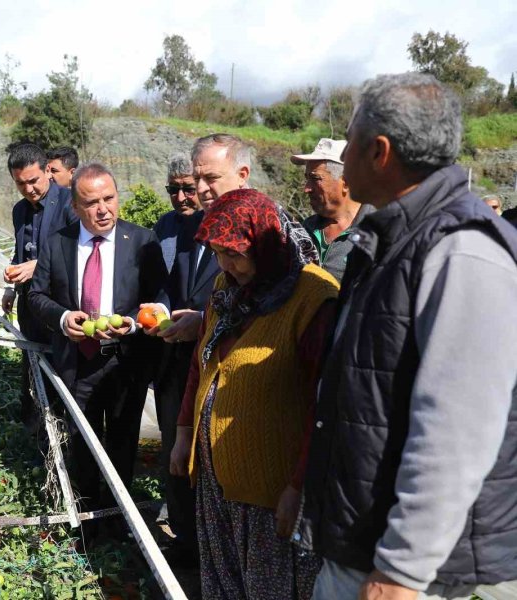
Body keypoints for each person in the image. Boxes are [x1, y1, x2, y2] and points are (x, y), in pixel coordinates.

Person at [297, 73, 517, 600]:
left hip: (428, 576)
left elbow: (458, 430)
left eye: (348, 140)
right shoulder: (392, 241)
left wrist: (402, 570)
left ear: (379, 151)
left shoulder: (461, 249)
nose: (341, 156)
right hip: (364, 549)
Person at [169, 188, 338, 599]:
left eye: (236, 253)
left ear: (265, 242)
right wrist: (183, 433)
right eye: (218, 253)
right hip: (218, 485)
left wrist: (299, 486)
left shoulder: (315, 297)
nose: (227, 265)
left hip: (270, 493)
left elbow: (328, 403)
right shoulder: (227, 290)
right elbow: (201, 363)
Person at [28, 162, 169, 521]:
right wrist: (63, 318)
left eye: (109, 198)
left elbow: (160, 297)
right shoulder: (57, 243)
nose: (103, 209)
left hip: (124, 362)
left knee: (123, 442)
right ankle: (87, 518)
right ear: (75, 207)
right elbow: (37, 296)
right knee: (81, 442)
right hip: (78, 362)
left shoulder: (142, 240)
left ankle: (119, 517)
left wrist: (135, 324)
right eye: (91, 203)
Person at [150, 153, 220, 565]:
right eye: (173, 189)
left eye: (187, 188)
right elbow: (161, 285)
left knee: (208, 451)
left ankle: (210, 540)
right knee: (173, 449)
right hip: (174, 359)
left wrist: (203, 320)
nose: (180, 196)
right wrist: (159, 311)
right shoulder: (166, 228)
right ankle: (184, 538)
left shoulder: (225, 227)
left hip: (214, 358)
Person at [3, 143, 76, 425]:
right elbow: (20, 249)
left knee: (59, 371)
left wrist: (38, 267)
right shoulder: (20, 210)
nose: (29, 189)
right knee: (32, 364)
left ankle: (62, 429)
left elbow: (79, 252)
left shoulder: (70, 203)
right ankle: (35, 429)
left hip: (59, 306)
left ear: (47, 170)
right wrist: (11, 285)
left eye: (33, 181)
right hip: (29, 304)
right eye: (21, 184)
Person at [291, 138, 375, 282]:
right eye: (307, 178)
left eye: (316, 178)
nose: (307, 188)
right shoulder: (304, 230)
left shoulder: (376, 231)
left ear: (346, 182)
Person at [191, 133, 251, 209]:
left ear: (241, 176)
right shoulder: (190, 220)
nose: (200, 189)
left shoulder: (264, 218)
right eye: (196, 178)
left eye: (211, 177)